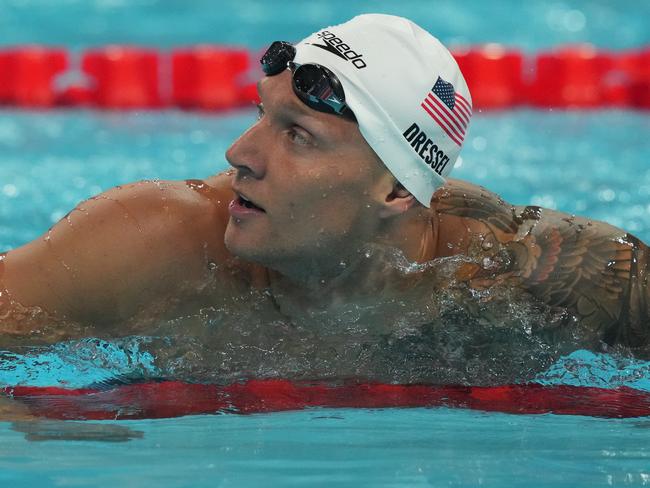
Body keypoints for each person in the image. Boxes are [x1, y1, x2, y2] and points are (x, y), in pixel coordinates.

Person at [0, 13, 648, 365]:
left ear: (396, 190)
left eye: (297, 135)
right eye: (261, 114)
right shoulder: (152, 239)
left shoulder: (530, 271)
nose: (238, 155)